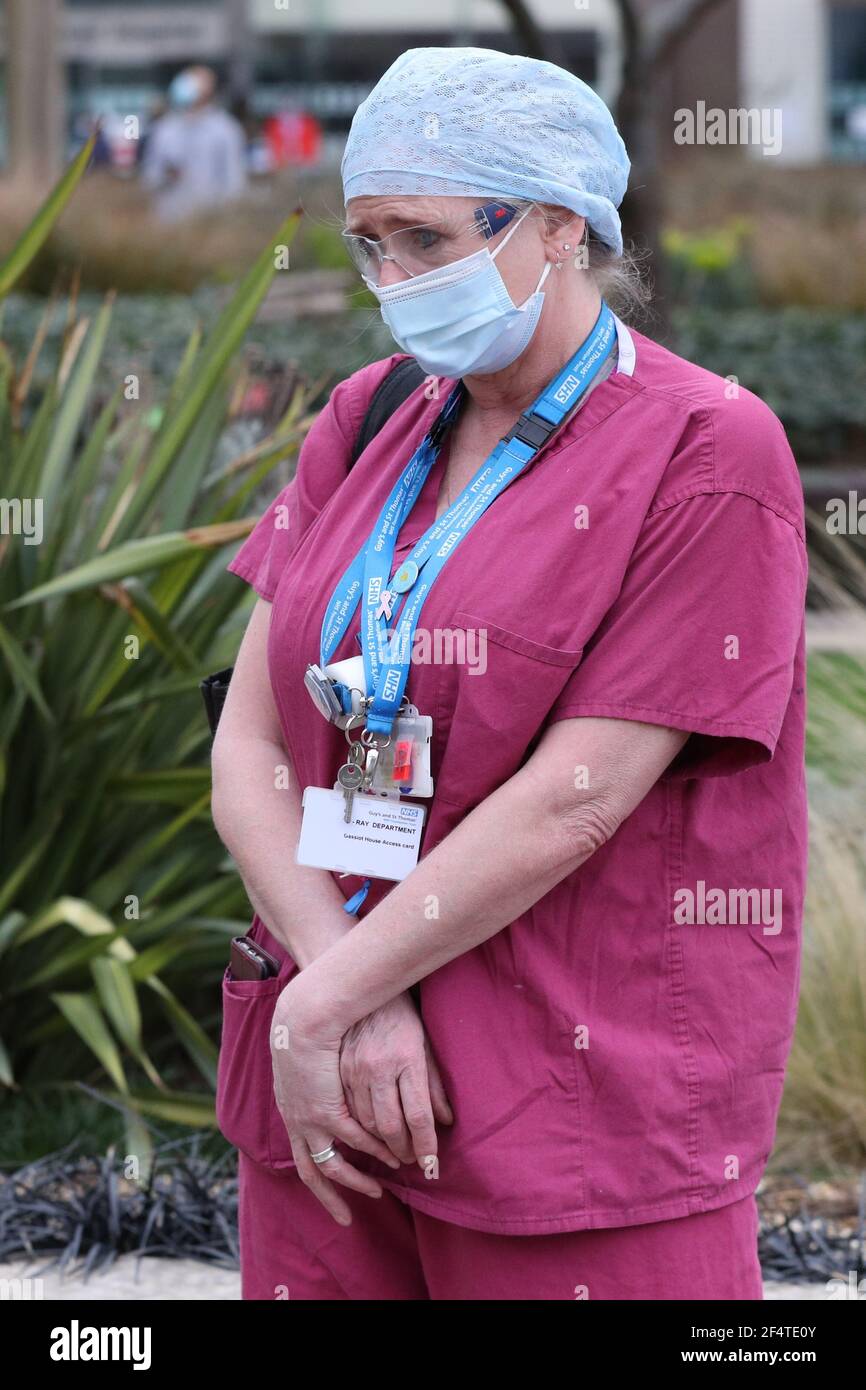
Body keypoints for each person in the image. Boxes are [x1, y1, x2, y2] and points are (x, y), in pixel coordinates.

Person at [211, 47, 807, 1301]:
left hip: (567, 1107)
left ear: (555, 226)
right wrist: (336, 1000)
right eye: (368, 241)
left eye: (424, 239)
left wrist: (330, 1004)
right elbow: (249, 748)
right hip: (329, 1097)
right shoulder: (371, 416)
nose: (391, 281)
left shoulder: (707, 447)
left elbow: (577, 796)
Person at [141, 65, 246, 222]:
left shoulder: (225, 130)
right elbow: (149, 176)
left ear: (209, 89)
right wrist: (166, 176)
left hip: (209, 221)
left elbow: (234, 182)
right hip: (170, 220)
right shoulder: (164, 129)